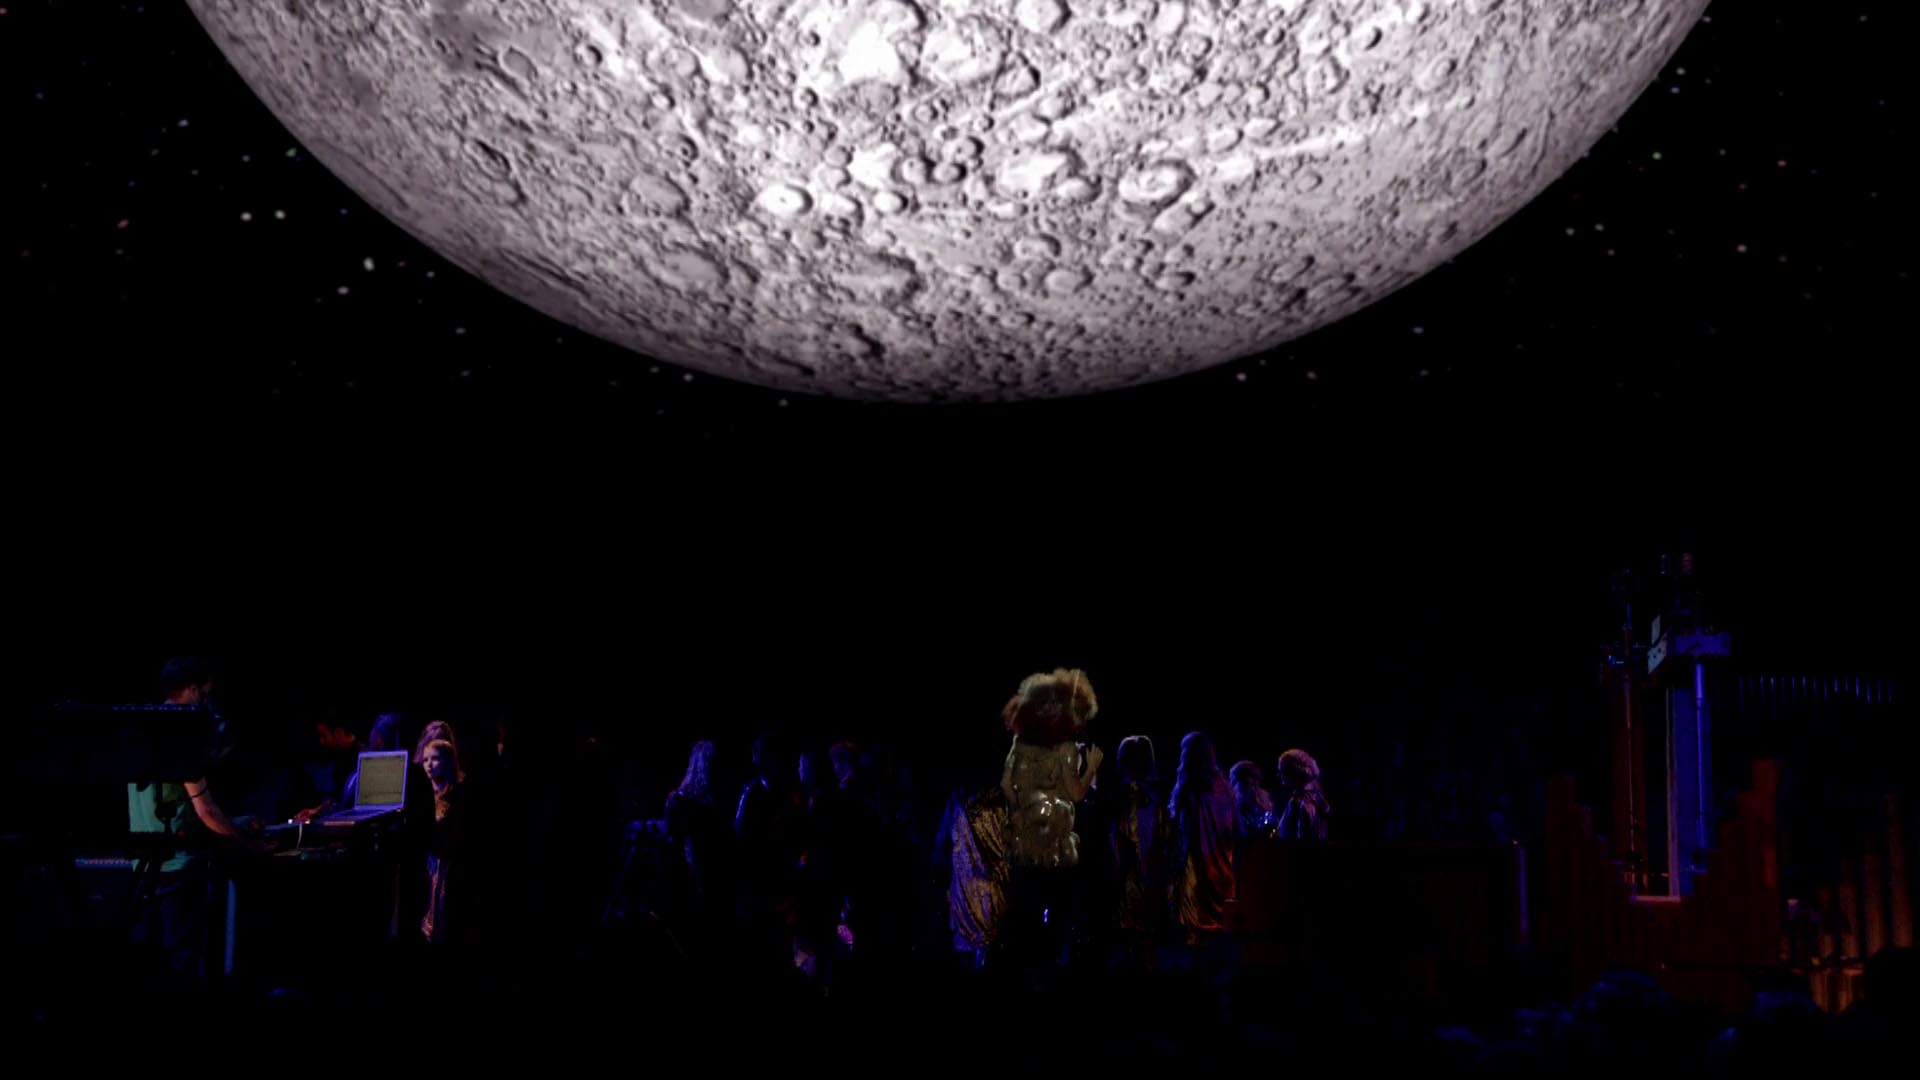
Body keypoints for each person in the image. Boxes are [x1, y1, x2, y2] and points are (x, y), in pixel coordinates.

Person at [126, 656, 265, 976]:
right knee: (184, 961)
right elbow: (206, 811)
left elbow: (174, 806)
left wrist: (236, 823)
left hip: (144, 864)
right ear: (191, 689)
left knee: (151, 962)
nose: (206, 701)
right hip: (179, 867)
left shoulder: (141, 732)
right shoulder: (181, 738)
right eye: (205, 693)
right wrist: (248, 844)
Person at [998, 668, 1103, 968]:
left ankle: (1026, 967)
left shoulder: (1020, 743)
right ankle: (1049, 969)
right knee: (1057, 912)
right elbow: (1077, 793)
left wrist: (1022, 808)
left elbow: (1005, 785)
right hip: (1056, 844)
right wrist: (1092, 767)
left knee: (1026, 910)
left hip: (1026, 842)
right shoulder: (1065, 748)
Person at [1168, 731, 1237, 950]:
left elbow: (1183, 834)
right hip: (1224, 870)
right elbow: (1237, 830)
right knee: (1221, 939)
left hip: (1198, 870)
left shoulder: (1189, 790)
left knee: (1197, 939)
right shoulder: (1226, 789)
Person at [1108, 735, 1169, 969]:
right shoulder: (1139, 794)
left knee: (1137, 930)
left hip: (1138, 868)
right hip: (1141, 868)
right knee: (1139, 932)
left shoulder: (1136, 795)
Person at [1275, 748, 1330, 841]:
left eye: (1282, 770)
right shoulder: (1316, 797)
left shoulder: (1299, 802)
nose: (1279, 774)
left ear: (1293, 772)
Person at [1229, 760, 1278, 840]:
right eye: (1245, 783)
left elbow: (1273, 825)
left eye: (1254, 781)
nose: (1252, 787)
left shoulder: (1266, 799)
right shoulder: (1233, 804)